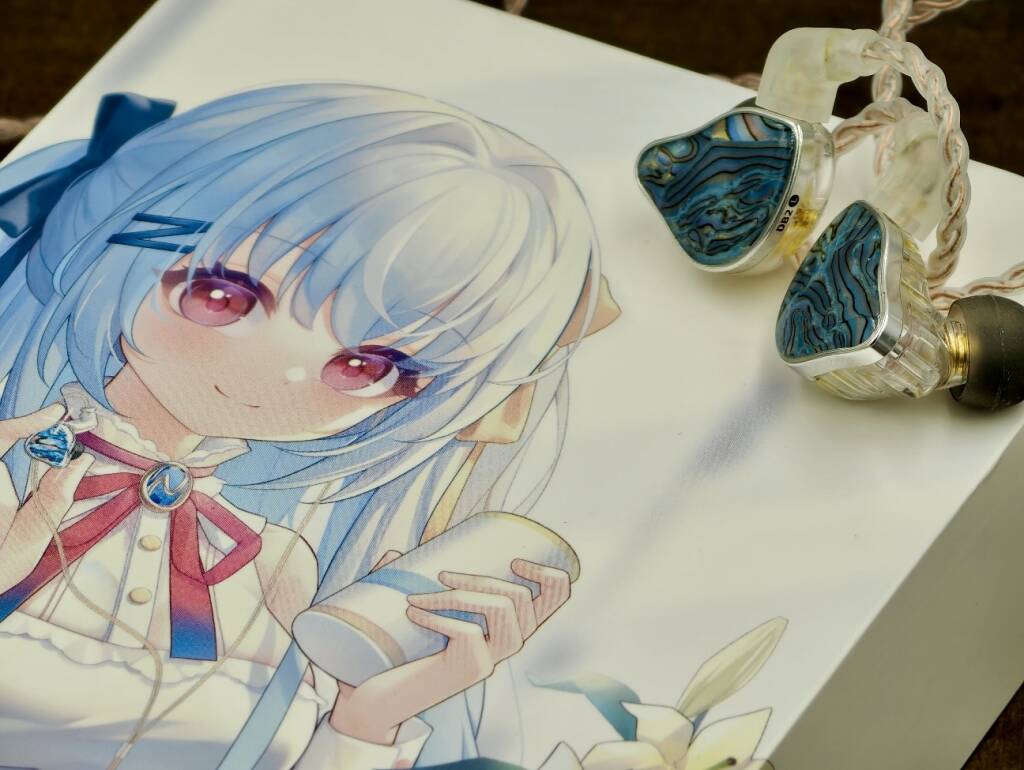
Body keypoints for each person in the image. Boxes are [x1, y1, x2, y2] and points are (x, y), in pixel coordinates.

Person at [0, 84, 617, 769]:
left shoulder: (276, 566)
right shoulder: (11, 482)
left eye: (366, 366)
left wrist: (368, 719)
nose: (289, 377)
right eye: (220, 296)